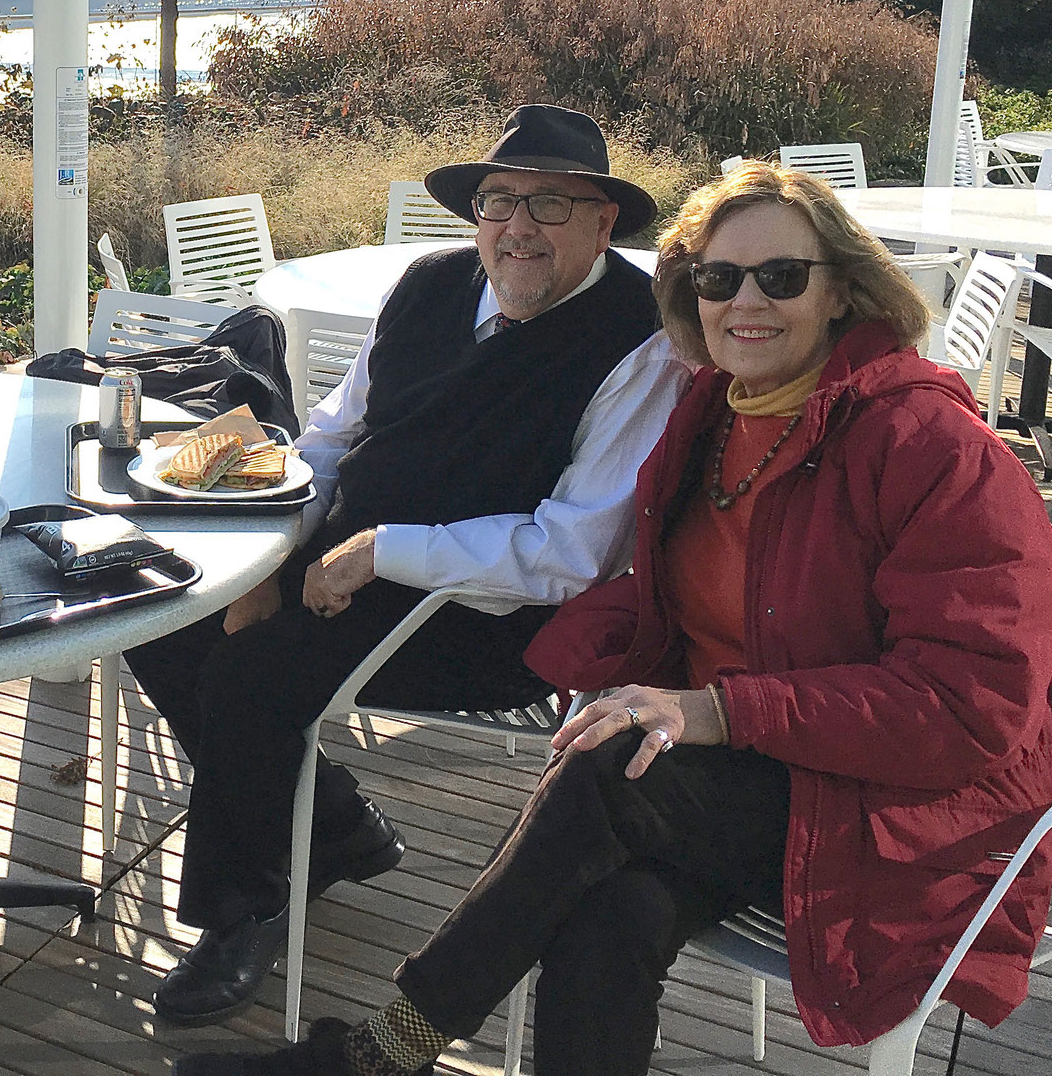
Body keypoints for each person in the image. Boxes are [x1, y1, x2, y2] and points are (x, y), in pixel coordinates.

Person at [182, 161, 1052, 1076]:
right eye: (718, 280)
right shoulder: (715, 416)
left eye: (782, 275)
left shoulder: (931, 448)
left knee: (608, 768)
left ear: (844, 288)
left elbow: (974, 707)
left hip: (895, 814)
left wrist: (718, 712)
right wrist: (608, 670)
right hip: (740, 783)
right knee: (614, 910)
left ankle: (378, 1054)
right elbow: (657, 589)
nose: (745, 301)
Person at [126, 104, 692, 1025]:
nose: (518, 229)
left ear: (603, 223)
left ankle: (252, 897)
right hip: (340, 558)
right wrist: (272, 553)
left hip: (488, 614)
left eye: (553, 207)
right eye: (500, 200)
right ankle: (338, 826)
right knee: (158, 608)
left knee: (248, 677)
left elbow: (569, 552)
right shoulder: (427, 284)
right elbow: (331, 439)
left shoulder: (639, 340)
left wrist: (384, 552)